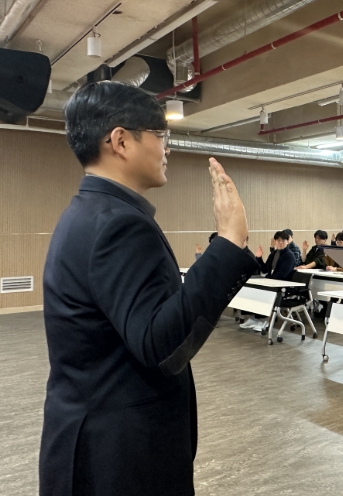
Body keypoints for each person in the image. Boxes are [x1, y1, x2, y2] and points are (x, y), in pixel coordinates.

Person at [40, 82, 257, 496]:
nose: (166, 148)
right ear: (121, 141)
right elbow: (161, 345)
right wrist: (229, 243)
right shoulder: (120, 224)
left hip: (90, 440)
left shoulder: (87, 212)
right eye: (160, 135)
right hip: (121, 456)